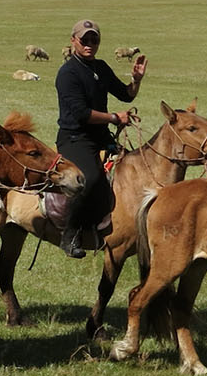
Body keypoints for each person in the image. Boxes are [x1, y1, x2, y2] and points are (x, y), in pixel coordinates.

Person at [54, 19, 145, 258]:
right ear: (73, 40)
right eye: (85, 40)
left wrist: (135, 80)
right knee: (89, 179)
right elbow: (81, 114)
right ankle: (70, 234)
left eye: (94, 40)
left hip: (101, 137)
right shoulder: (67, 73)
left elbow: (126, 96)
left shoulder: (101, 67)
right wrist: (114, 117)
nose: (90, 44)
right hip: (75, 138)